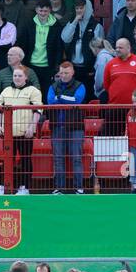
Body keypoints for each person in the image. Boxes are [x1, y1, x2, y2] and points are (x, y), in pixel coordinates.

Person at [0, 66, 43, 195]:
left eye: (20, 76)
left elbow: (38, 110)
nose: (17, 78)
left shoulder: (33, 91)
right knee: (7, 160)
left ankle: (24, 188)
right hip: (8, 133)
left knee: (25, 160)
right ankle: (3, 186)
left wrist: (32, 127)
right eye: (15, 75)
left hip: (25, 133)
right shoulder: (6, 91)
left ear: (26, 77)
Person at [45, 59, 86, 193]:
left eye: (66, 73)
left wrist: (60, 97)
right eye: (62, 73)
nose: (64, 76)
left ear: (72, 72)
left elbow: (77, 100)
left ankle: (79, 187)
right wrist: (64, 99)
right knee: (58, 159)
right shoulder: (52, 86)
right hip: (57, 126)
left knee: (76, 158)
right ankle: (59, 188)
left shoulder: (80, 85)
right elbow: (50, 101)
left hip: (75, 127)